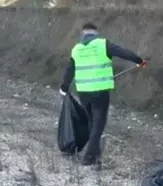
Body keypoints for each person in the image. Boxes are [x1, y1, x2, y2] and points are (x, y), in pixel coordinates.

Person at [60, 22, 147, 168]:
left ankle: (96, 155)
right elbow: (123, 52)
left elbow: (70, 69)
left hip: (83, 92)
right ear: (95, 33)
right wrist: (139, 61)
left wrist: (64, 87)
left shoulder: (76, 49)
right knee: (98, 124)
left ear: (83, 34)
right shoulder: (102, 44)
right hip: (100, 92)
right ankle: (89, 157)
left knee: (91, 122)